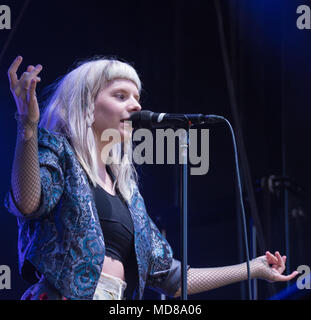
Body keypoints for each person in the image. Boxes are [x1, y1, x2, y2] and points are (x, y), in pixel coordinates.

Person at [5, 55, 298, 300]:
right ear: (86, 106)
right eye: (120, 96)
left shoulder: (128, 194)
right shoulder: (58, 152)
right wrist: (27, 126)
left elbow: (172, 278)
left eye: (137, 97)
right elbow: (28, 202)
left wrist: (252, 267)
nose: (135, 106)